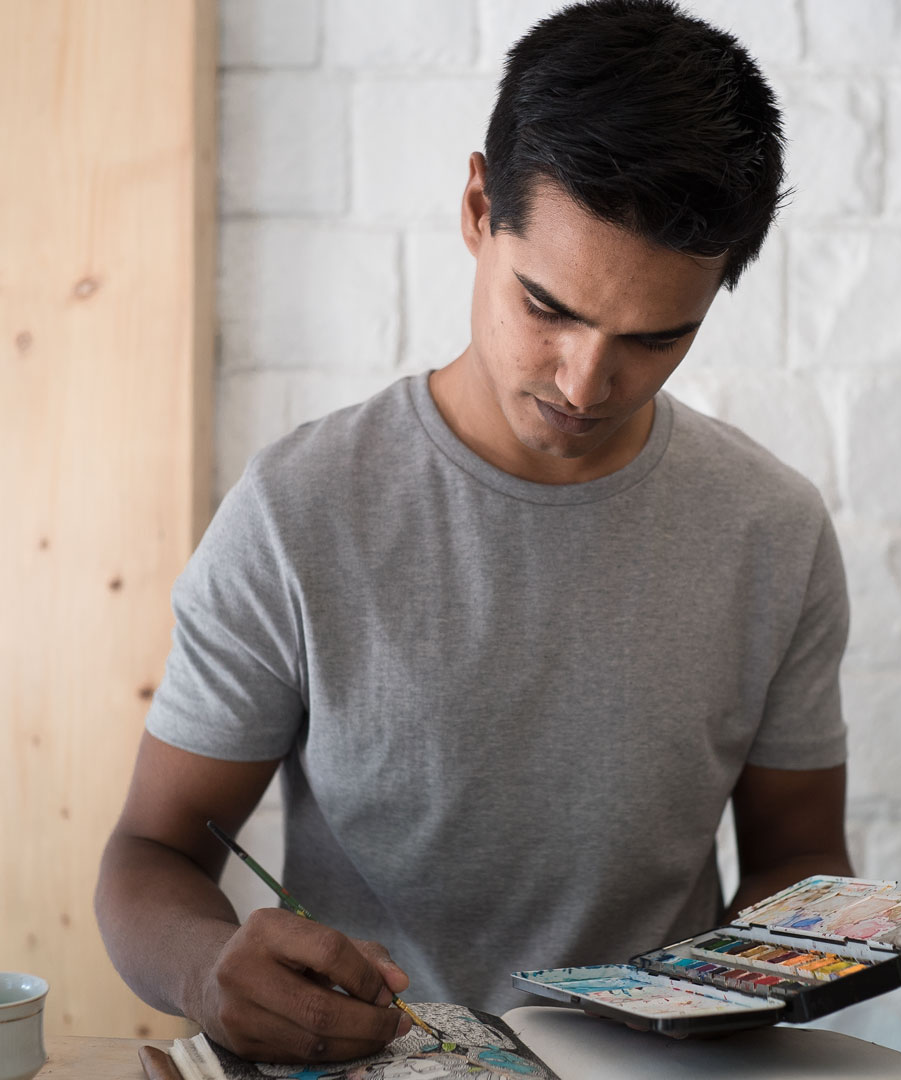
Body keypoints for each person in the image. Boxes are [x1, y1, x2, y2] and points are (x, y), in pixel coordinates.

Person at [96, 0, 853, 1065]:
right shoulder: (298, 511)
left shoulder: (773, 530)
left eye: (654, 337)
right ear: (475, 205)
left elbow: (800, 855)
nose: (587, 382)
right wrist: (203, 971)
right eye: (547, 305)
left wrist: (769, 972)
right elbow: (149, 851)